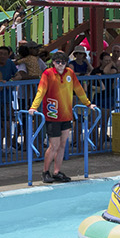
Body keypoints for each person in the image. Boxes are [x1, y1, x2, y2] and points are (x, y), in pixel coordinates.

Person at [27, 50, 92, 183]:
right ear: (53, 63)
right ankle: (45, 171)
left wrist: (87, 103)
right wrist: (34, 106)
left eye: (63, 62)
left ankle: (57, 171)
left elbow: (78, 89)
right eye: (58, 62)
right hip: (53, 115)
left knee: (63, 145)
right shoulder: (48, 74)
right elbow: (41, 90)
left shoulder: (70, 73)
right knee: (54, 145)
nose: (60, 64)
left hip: (66, 115)